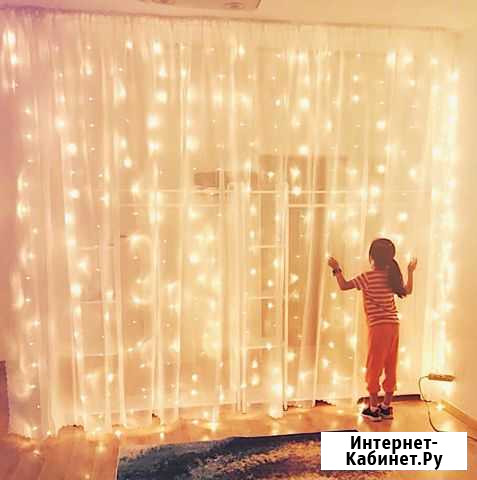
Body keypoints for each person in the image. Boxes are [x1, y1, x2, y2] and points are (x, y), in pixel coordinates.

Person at [327, 238, 418, 421]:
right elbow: (407, 290)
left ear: (372, 257)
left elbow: (344, 286)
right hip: (394, 326)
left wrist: (336, 269)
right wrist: (410, 271)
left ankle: (374, 408)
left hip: (378, 327)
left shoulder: (368, 277)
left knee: (374, 366)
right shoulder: (391, 276)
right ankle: (386, 406)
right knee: (390, 364)